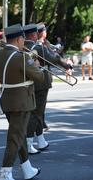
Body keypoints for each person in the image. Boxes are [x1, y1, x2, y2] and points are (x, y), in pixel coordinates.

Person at [0, 24, 45, 180]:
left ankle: (27, 168)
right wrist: (35, 63)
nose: (24, 41)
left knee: (18, 135)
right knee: (15, 138)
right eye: (22, 39)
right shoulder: (21, 57)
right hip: (22, 102)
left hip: (7, 100)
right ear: (18, 39)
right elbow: (39, 77)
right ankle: (5, 173)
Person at [24, 24, 71, 154]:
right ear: (34, 35)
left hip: (28, 83)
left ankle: (40, 139)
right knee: (37, 113)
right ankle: (28, 143)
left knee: (38, 113)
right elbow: (53, 58)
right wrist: (66, 65)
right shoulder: (37, 47)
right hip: (40, 84)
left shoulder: (22, 47)